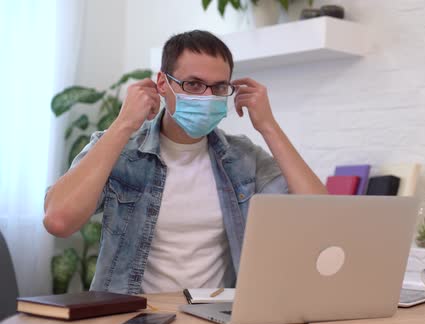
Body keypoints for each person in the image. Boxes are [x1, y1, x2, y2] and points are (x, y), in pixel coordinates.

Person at [43, 30, 327, 295]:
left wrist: (268, 126)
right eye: (193, 84)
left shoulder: (242, 158)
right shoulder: (120, 149)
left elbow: (321, 217)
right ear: (163, 84)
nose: (206, 97)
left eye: (218, 88)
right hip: (128, 317)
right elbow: (59, 220)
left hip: (214, 318)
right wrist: (123, 124)